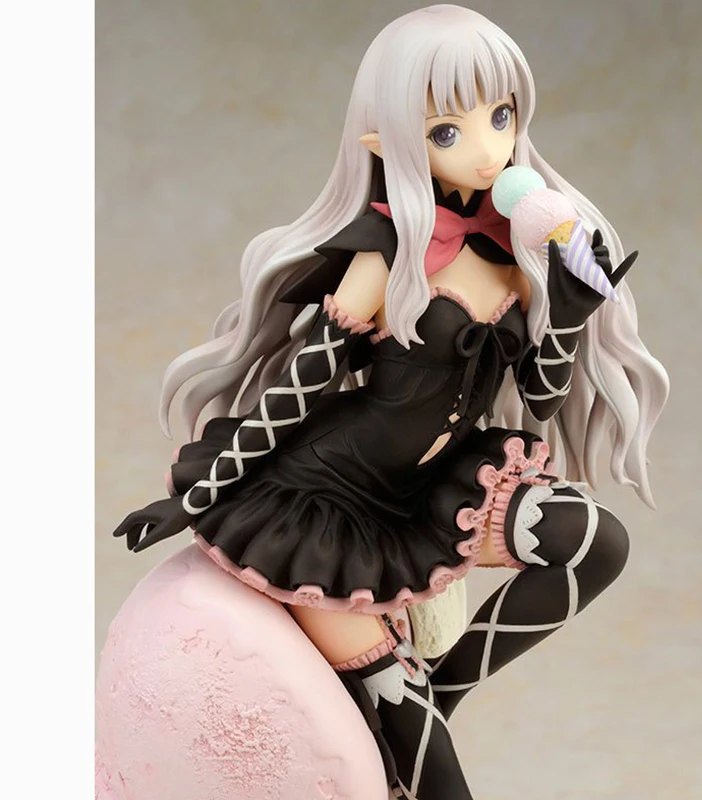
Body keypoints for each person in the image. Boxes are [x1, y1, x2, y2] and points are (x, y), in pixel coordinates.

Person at [112, 5, 669, 798]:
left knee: (596, 543)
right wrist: (199, 495)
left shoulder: (513, 249)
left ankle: (443, 689)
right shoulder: (386, 253)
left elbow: (538, 400)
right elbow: (300, 387)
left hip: (430, 489)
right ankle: (414, 709)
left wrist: (572, 314)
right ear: (385, 142)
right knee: (426, 763)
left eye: (502, 116)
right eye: (448, 130)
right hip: (323, 507)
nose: (489, 148)